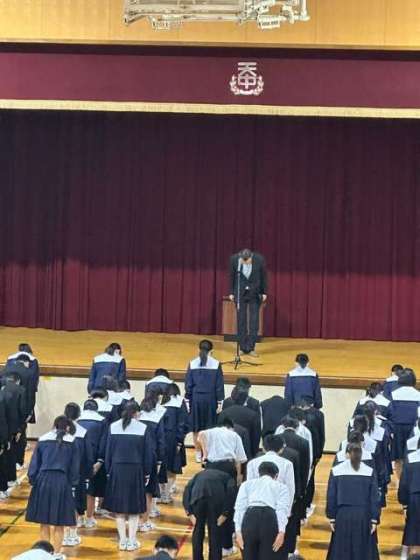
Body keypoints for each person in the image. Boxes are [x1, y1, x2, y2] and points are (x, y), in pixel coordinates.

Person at [26, 416, 80, 560]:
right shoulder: (72, 441)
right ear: (67, 427)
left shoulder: (43, 439)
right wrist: (72, 483)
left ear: (54, 426)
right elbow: (74, 467)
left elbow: (34, 464)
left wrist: (33, 480)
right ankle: (56, 554)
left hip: (43, 480)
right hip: (62, 481)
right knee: (59, 522)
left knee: (44, 521)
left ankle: (44, 554)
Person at [103, 401, 152, 552]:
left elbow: (108, 452)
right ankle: (131, 541)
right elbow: (148, 454)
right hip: (135, 470)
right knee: (134, 508)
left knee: (119, 508)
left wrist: (109, 470)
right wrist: (147, 472)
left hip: (117, 469)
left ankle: (122, 541)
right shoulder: (142, 428)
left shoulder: (113, 426)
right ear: (136, 413)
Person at [326, 443, 380, 560]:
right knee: (362, 551)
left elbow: (331, 496)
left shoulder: (336, 470)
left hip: (342, 515)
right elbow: (374, 497)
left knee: (342, 551)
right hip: (363, 516)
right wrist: (374, 519)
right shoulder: (369, 471)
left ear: (346, 454)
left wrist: (332, 517)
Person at [234, 461, 290, 560]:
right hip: (269, 519)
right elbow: (282, 510)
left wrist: (238, 531)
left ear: (259, 473)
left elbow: (239, 508)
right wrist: (281, 532)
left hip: (250, 518)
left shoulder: (246, 484)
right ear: (276, 476)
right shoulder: (282, 487)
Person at [183, 468, 237, 560]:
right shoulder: (228, 477)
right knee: (215, 532)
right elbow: (231, 495)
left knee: (198, 530)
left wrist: (189, 512)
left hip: (198, 498)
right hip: (216, 499)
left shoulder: (199, 474)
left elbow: (187, 490)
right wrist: (225, 513)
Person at [185, 339, 224, 462]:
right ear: (211, 351)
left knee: (196, 428)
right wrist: (220, 401)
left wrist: (188, 400)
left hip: (196, 400)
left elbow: (188, 385)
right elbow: (219, 385)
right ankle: (207, 454)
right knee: (209, 428)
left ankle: (198, 453)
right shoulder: (216, 364)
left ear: (199, 349)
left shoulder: (192, 363)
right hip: (210, 400)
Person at [62, 402, 93, 547]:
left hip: (61, 473)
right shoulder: (82, 432)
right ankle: (73, 535)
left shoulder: (58, 431)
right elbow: (88, 456)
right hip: (78, 473)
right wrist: (88, 474)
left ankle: (64, 535)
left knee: (63, 503)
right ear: (79, 415)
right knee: (74, 503)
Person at [229, 248, 267, 357]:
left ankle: (251, 348)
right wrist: (231, 292)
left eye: (247, 261)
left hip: (255, 293)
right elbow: (231, 276)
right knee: (241, 321)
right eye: (243, 261)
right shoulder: (234, 259)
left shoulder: (259, 259)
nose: (245, 262)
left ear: (251, 257)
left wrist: (264, 292)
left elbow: (264, 277)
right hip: (240, 293)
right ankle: (242, 347)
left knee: (254, 322)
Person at [139, 390, 167, 532]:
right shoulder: (157, 418)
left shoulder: (136, 418)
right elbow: (161, 441)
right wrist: (160, 461)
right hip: (151, 457)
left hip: (134, 457)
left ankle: (134, 520)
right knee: (148, 491)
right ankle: (144, 521)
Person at [246, 434, 295, 516]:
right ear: (281, 449)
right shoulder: (287, 464)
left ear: (263, 448)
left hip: (256, 505)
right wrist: (287, 510)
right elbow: (290, 488)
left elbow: (249, 487)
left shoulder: (252, 463)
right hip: (277, 505)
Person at [77, 399, 108, 529]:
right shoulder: (102, 421)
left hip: (78, 457)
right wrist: (100, 461)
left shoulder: (77, 420)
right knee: (91, 489)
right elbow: (104, 442)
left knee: (78, 488)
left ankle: (78, 518)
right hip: (94, 457)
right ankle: (89, 518)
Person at [389, 368, 420, 478]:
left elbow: (390, 414)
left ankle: (400, 481)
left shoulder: (393, 394)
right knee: (412, 455)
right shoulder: (418, 395)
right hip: (413, 429)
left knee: (398, 457)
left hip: (397, 429)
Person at [160, 383, 188, 503]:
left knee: (161, 466)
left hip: (161, 438)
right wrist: (179, 442)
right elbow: (183, 424)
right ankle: (166, 494)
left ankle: (161, 493)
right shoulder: (180, 402)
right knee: (172, 468)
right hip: (173, 439)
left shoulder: (161, 402)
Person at [217, 387, 261, 459]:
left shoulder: (224, 413)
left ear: (233, 398)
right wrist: (253, 455)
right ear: (246, 399)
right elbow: (256, 437)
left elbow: (218, 434)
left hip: (226, 452)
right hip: (245, 453)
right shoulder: (253, 415)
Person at [1, 371, 27, 489]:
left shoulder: (3, 389)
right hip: (11, 427)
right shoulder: (20, 390)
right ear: (18, 381)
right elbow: (22, 411)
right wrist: (20, 429)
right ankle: (10, 480)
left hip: (4, 426)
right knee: (10, 455)